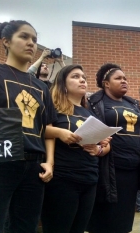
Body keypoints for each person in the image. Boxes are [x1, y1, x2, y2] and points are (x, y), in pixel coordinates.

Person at [0, 20, 56, 233]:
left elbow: (46, 128)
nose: (31, 43)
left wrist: (49, 163)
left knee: (26, 227)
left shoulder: (42, 87)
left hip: (34, 167)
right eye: (24, 37)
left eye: (34, 39)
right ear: (6, 41)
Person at [41, 65, 110, 233]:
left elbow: (106, 145)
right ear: (63, 84)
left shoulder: (90, 113)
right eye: (75, 76)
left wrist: (99, 149)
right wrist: (60, 132)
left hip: (90, 178)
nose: (82, 80)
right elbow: (38, 129)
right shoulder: (54, 108)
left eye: (84, 77)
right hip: (63, 178)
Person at [87, 63, 140, 233]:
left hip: (132, 169)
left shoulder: (133, 104)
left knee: (124, 219)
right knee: (106, 218)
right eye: (118, 78)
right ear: (106, 83)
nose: (124, 81)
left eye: (125, 78)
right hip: (109, 168)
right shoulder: (95, 102)